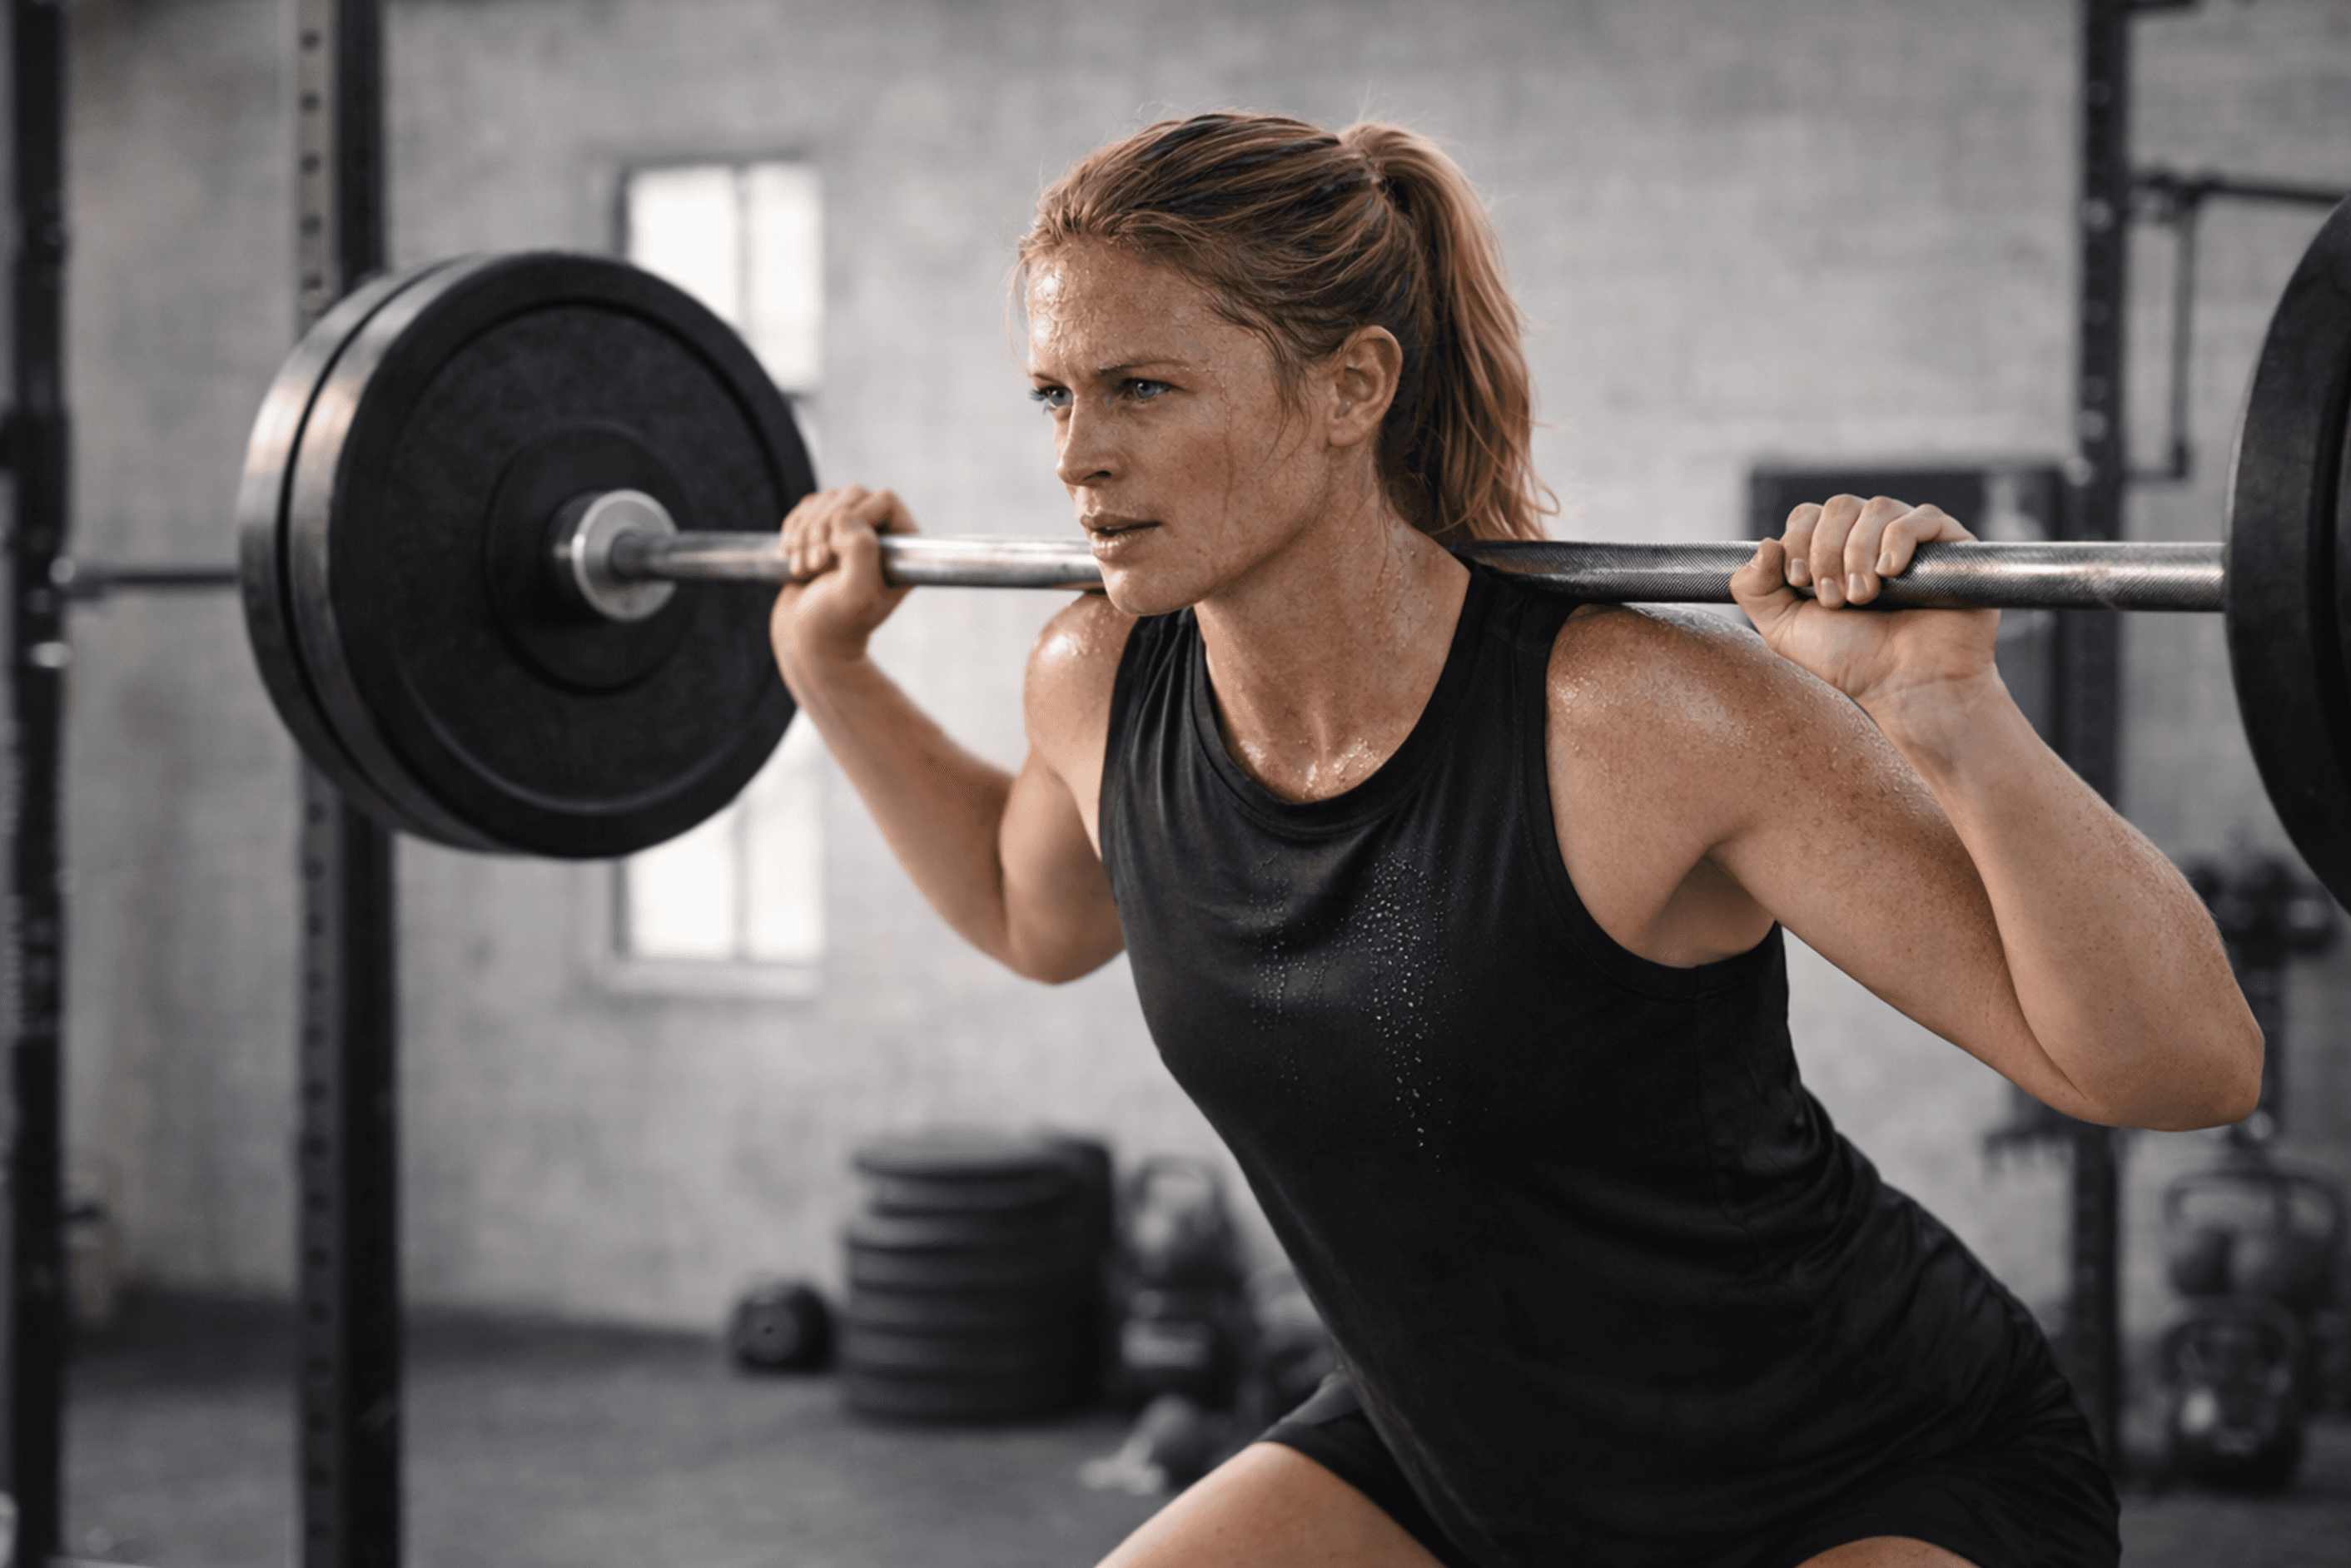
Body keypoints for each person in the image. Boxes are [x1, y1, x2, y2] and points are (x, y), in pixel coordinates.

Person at [768, 112, 2258, 1568]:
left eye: (1144, 387)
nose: (1077, 459)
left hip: (1855, 1465)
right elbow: (1034, 920)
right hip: (1465, 1462)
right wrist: (830, 671)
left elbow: (2181, 1069)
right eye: (1054, 395)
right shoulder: (1096, 680)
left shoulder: (1640, 722)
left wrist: (1949, 714)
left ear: (1350, 386)